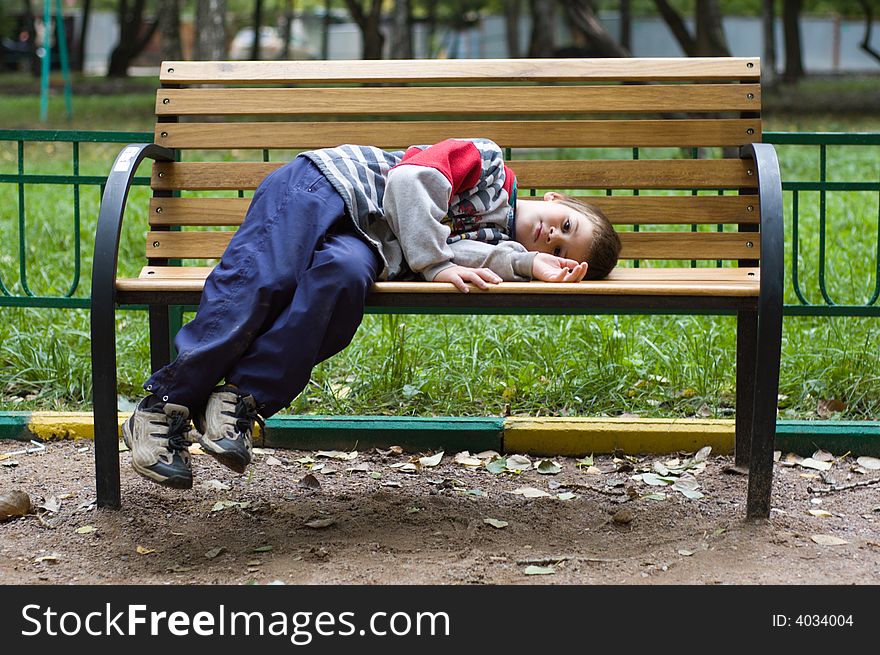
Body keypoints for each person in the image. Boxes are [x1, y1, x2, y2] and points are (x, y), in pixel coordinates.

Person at [122, 138, 622, 489]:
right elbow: (409, 181)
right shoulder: (487, 163)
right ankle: (161, 407)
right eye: (564, 224)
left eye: (562, 244)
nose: (553, 235)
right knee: (264, 279)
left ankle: (237, 400)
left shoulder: (498, 243)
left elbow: (473, 256)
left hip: (363, 242)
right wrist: (434, 262)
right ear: (555, 200)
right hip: (329, 186)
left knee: (341, 285)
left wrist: (530, 264)